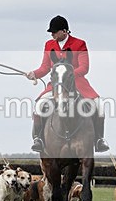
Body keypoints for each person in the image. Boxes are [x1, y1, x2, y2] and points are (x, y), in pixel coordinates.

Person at [25, 15, 109, 153]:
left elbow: (84, 67)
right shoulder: (49, 45)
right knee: (39, 106)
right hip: (55, 86)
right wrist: (34, 74)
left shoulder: (79, 44)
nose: (52, 34)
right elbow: (45, 67)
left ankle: (99, 139)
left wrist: (67, 76)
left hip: (78, 84)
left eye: (54, 31)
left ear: (64, 31)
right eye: (51, 32)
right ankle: (38, 139)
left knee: (99, 105)